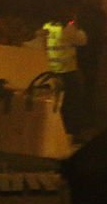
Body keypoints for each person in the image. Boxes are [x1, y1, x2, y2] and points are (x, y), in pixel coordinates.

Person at [37, 13, 89, 141]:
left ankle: (55, 133)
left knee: (56, 105)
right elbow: (83, 40)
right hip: (68, 72)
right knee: (73, 103)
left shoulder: (47, 27)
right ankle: (70, 133)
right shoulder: (68, 28)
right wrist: (77, 26)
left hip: (52, 71)